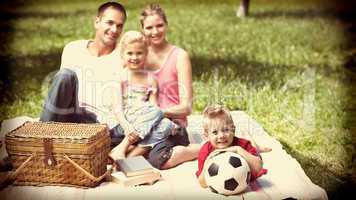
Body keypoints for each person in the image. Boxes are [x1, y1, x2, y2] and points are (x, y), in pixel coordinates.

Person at [39, 2, 134, 142]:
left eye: (119, 26)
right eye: (110, 23)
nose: (114, 30)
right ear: (97, 22)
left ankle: (40, 142)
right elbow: (60, 93)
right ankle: (37, 140)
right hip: (69, 116)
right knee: (65, 75)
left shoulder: (124, 56)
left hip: (99, 124)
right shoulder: (73, 49)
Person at [137, 4, 201, 169]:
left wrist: (157, 113)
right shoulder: (138, 56)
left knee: (158, 160)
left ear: (166, 25)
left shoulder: (180, 56)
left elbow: (186, 107)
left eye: (159, 25)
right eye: (149, 27)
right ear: (142, 29)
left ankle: (203, 149)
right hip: (144, 125)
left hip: (173, 124)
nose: (155, 31)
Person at [109, 31, 178, 159]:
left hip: (144, 123)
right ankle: (125, 145)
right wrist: (127, 127)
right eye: (130, 53)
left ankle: (130, 156)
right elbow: (117, 109)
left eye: (139, 53)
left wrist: (166, 120)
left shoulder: (151, 79)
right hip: (123, 124)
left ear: (146, 54)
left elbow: (153, 108)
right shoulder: (120, 77)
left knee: (166, 124)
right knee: (159, 113)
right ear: (122, 54)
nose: (134, 57)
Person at [196, 105, 267, 188]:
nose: (221, 135)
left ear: (233, 130)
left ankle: (250, 138)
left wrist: (238, 149)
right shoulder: (205, 151)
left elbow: (258, 167)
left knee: (254, 148)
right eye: (215, 132)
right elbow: (202, 184)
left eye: (226, 130)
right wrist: (208, 160)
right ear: (206, 135)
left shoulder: (243, 145)